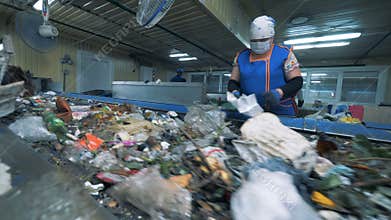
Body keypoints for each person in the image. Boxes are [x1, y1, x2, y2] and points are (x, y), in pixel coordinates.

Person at [228, 15, 303, 116]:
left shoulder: (285, 54)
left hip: (281, 110)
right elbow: (233, 81)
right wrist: (234, 91)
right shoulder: (241, 57)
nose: (258, 43)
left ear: (272, 38)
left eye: (263, 40)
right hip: (251, 110)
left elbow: (297, 81)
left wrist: (280, 92)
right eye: (254, 41)